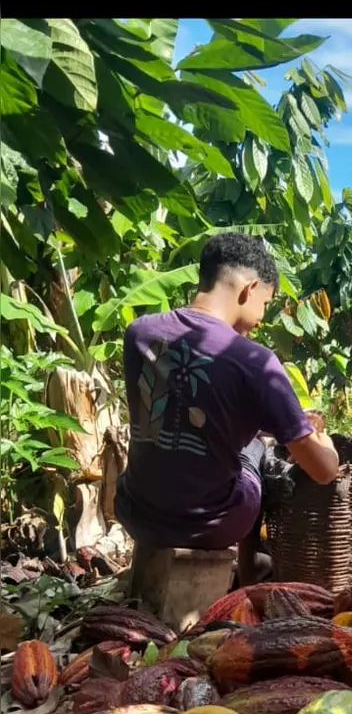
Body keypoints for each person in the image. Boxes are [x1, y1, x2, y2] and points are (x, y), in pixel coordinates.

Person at [115, 231, 339, 554]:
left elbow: (185, 405)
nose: (261, 319)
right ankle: (249, 574)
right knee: (256, 449)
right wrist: (326, 443)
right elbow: (323, 470)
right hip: (209, 525)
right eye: (265, 303)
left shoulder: (139, 333)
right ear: (249, 290)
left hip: (135, 512)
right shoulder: (255, 361)